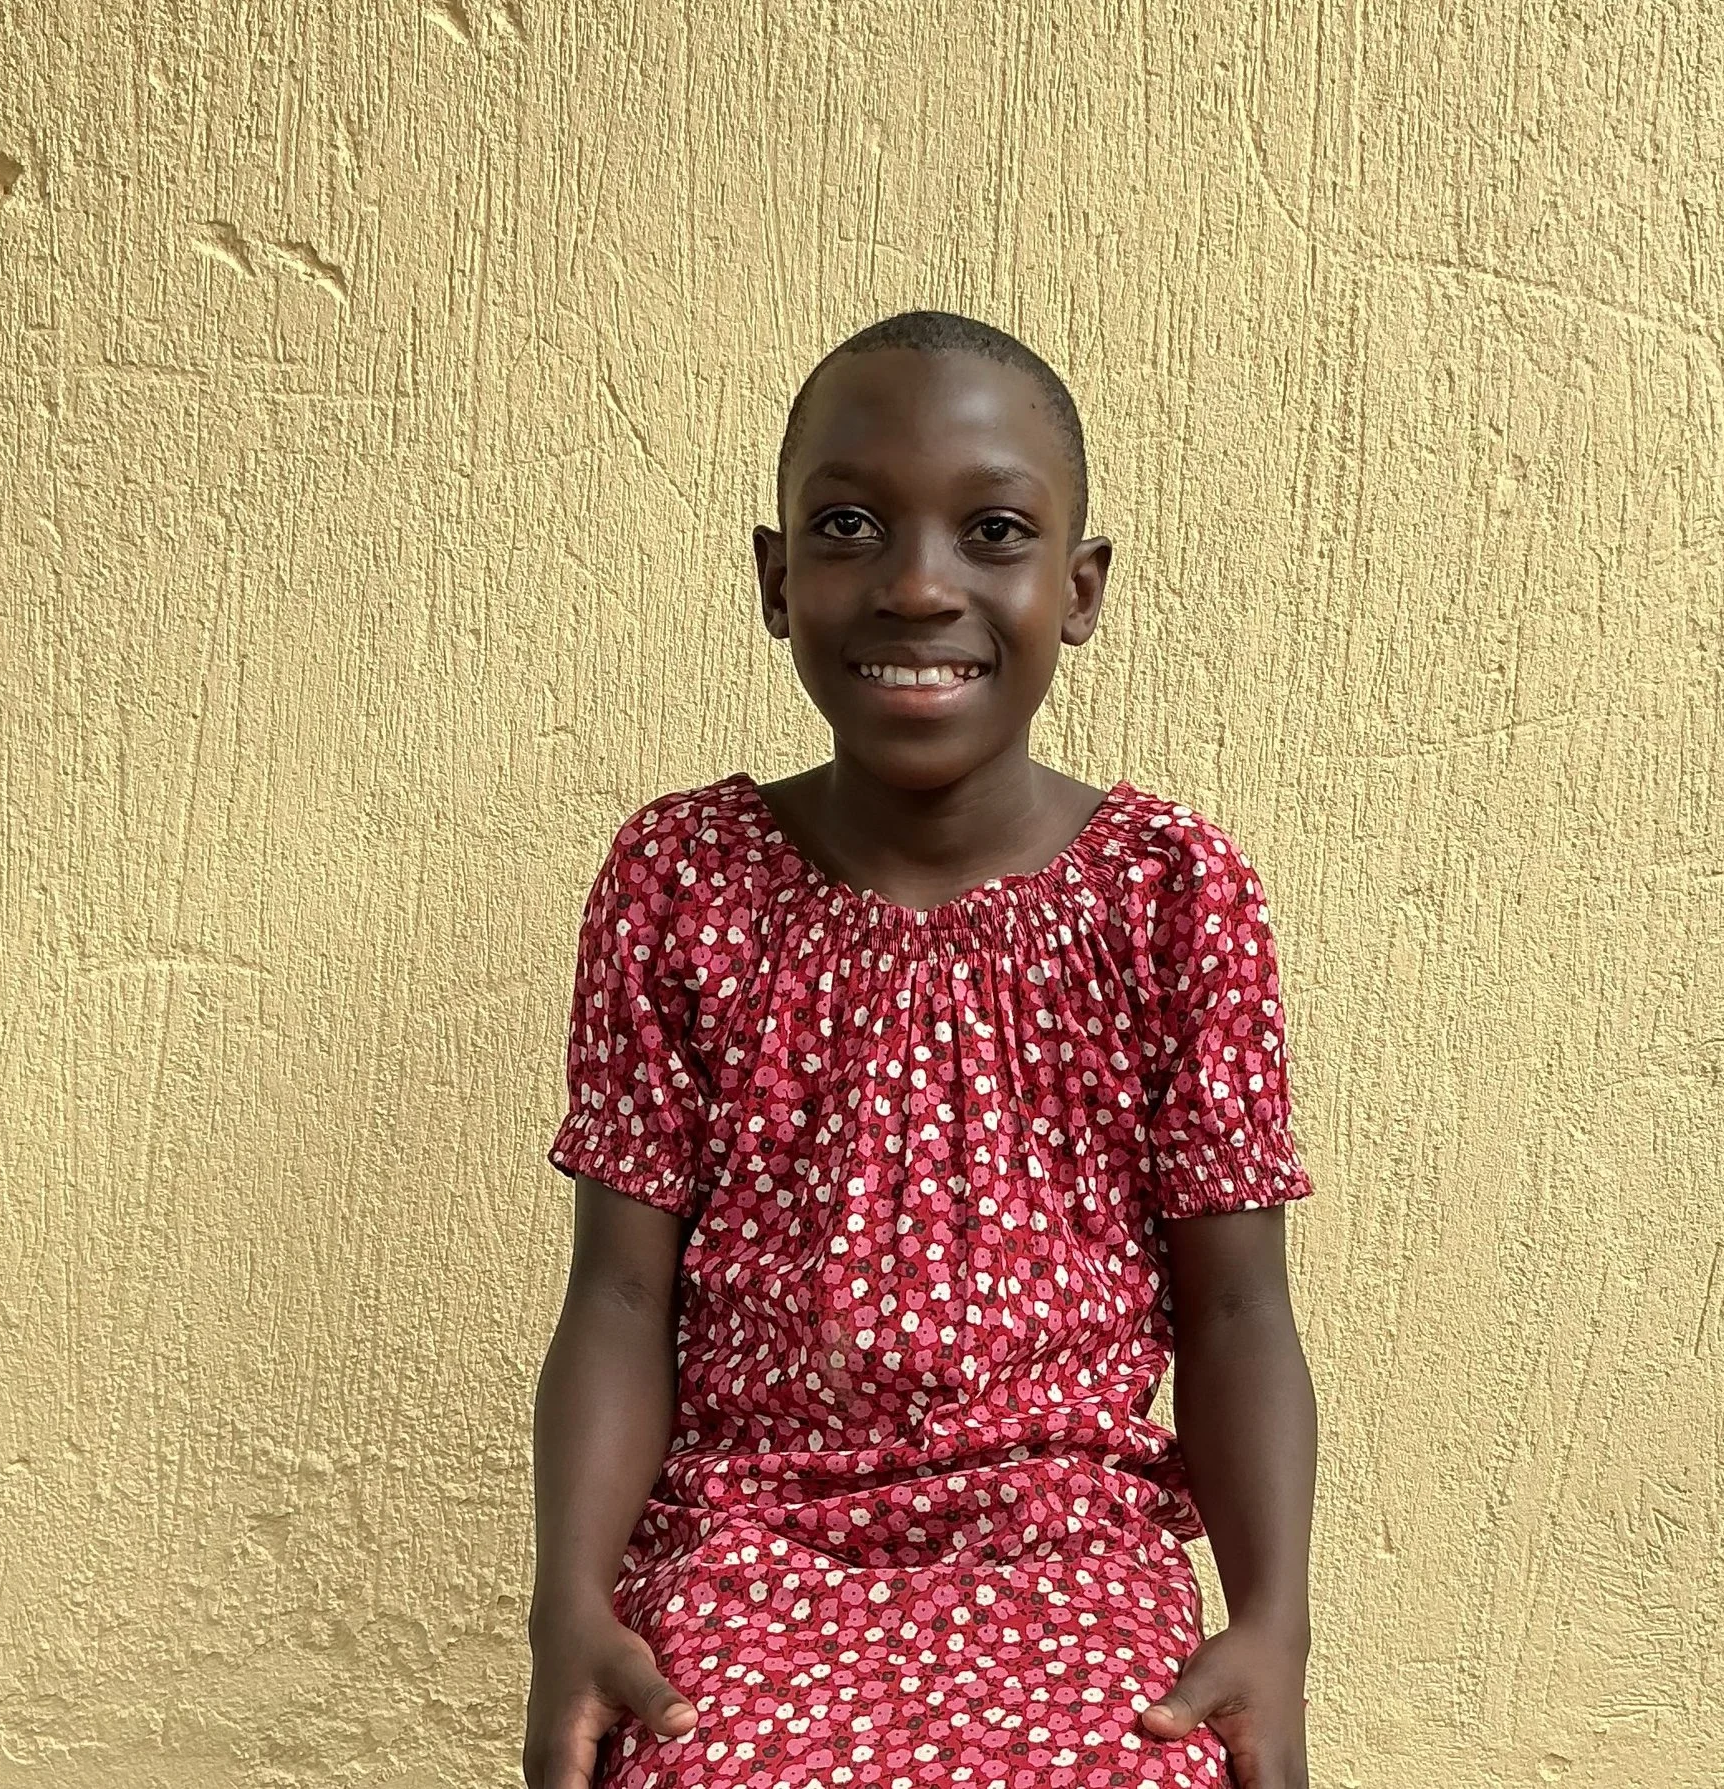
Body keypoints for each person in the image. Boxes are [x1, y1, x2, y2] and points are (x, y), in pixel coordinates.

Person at [523, 310, 1319, 1789]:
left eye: (994, 532)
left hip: (1071, 1543)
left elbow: (1235, 1311)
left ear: (1080, 589)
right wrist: (569, 1610)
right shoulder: (680, 881)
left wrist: (1272, 1628)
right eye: (849, 527)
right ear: (775, 579)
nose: (915, 585)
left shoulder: (1173, 895)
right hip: (749, 1536)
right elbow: (622, 1294)